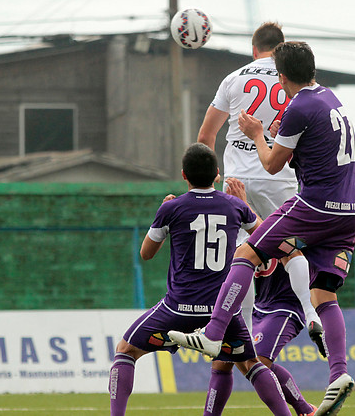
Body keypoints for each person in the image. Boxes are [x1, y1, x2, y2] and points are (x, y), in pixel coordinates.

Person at [170, 41, 355, 416]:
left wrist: (258, 133)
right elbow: (311, 152)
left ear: (282, 76)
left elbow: (272, 164)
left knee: (246, 252)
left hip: (314, 204)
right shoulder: (328, 98)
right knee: (325, 294)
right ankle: (338, 373)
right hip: (350, 209)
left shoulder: (299, 106)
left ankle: (213, 333)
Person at [108, 143, 292, 416]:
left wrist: (162, 215)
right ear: (217, 174)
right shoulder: (234, 206)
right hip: (221, 311)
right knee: (252, 364)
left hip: (177, 309)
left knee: (125, 351)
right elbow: (265, 235)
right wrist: (244, 206)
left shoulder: (172, 208)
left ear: (184, 175)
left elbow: (146, 254)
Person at [197, 21, 322, 339]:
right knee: (291, 248)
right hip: (278, 176)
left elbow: (206, 135)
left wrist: (211, 178)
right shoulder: (290, 80)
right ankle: (310, 312)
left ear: (254, 49)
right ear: (280, 49)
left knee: (243, 256)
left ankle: (247, 330)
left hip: (237, 179)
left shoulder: (234, 78)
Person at [208, 179, 317, 416]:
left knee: (258, 361)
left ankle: (304, 409)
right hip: (259, 305)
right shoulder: (250, 224)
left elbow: (275, 240)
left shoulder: (292, 218)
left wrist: (244, 206)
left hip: (285, 306)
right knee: (223, 361)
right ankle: (305, 410)